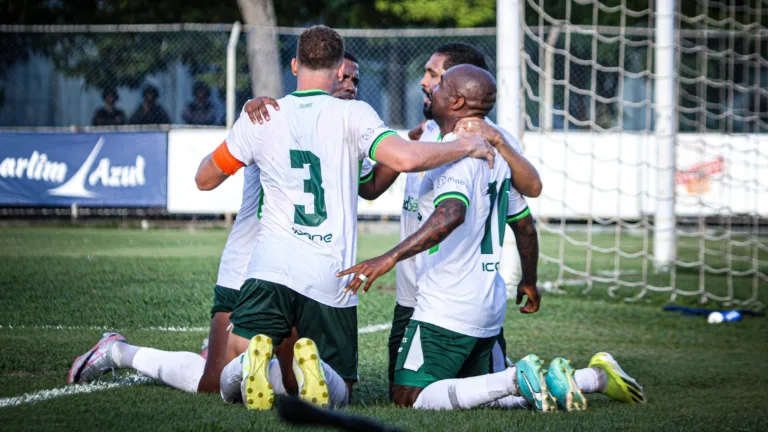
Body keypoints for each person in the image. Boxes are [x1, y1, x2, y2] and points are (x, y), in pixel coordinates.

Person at [197, 25, 494, 411]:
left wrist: (243, 130)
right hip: (330, 274)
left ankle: (249, 364)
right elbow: (404, 159)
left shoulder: (263, 114)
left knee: (228, 372)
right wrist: (463, 144)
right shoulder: (354, 114)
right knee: (341, 393)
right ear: (339, 69)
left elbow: (205, 179)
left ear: (293, 64)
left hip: (269, 268)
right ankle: (316, 367)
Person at [65, 51, 390, 395]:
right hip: (255, 263)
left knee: (285, 378)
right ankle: (119, 351)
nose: (350, 84)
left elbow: (367, 187)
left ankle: (237, 357)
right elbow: (209, 174)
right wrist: (250, 105)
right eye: (342, 76)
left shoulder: (345, 128)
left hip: (304, 266)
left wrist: (404, 150)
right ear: (320, 73)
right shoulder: (272, 114)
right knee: (215, 383)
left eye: (355, 79)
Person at [338, 64, 646, 412]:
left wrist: (388, 257)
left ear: (455, 101)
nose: (430, 89)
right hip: (487, 305)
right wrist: (529, 281)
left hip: (446, 304)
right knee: (484, 395)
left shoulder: (461, 150)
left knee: (408, 398)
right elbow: (525, 225)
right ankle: (593, 378)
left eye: (438, 85)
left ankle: (514, 377)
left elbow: (451, 214)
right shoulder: (494, 151)